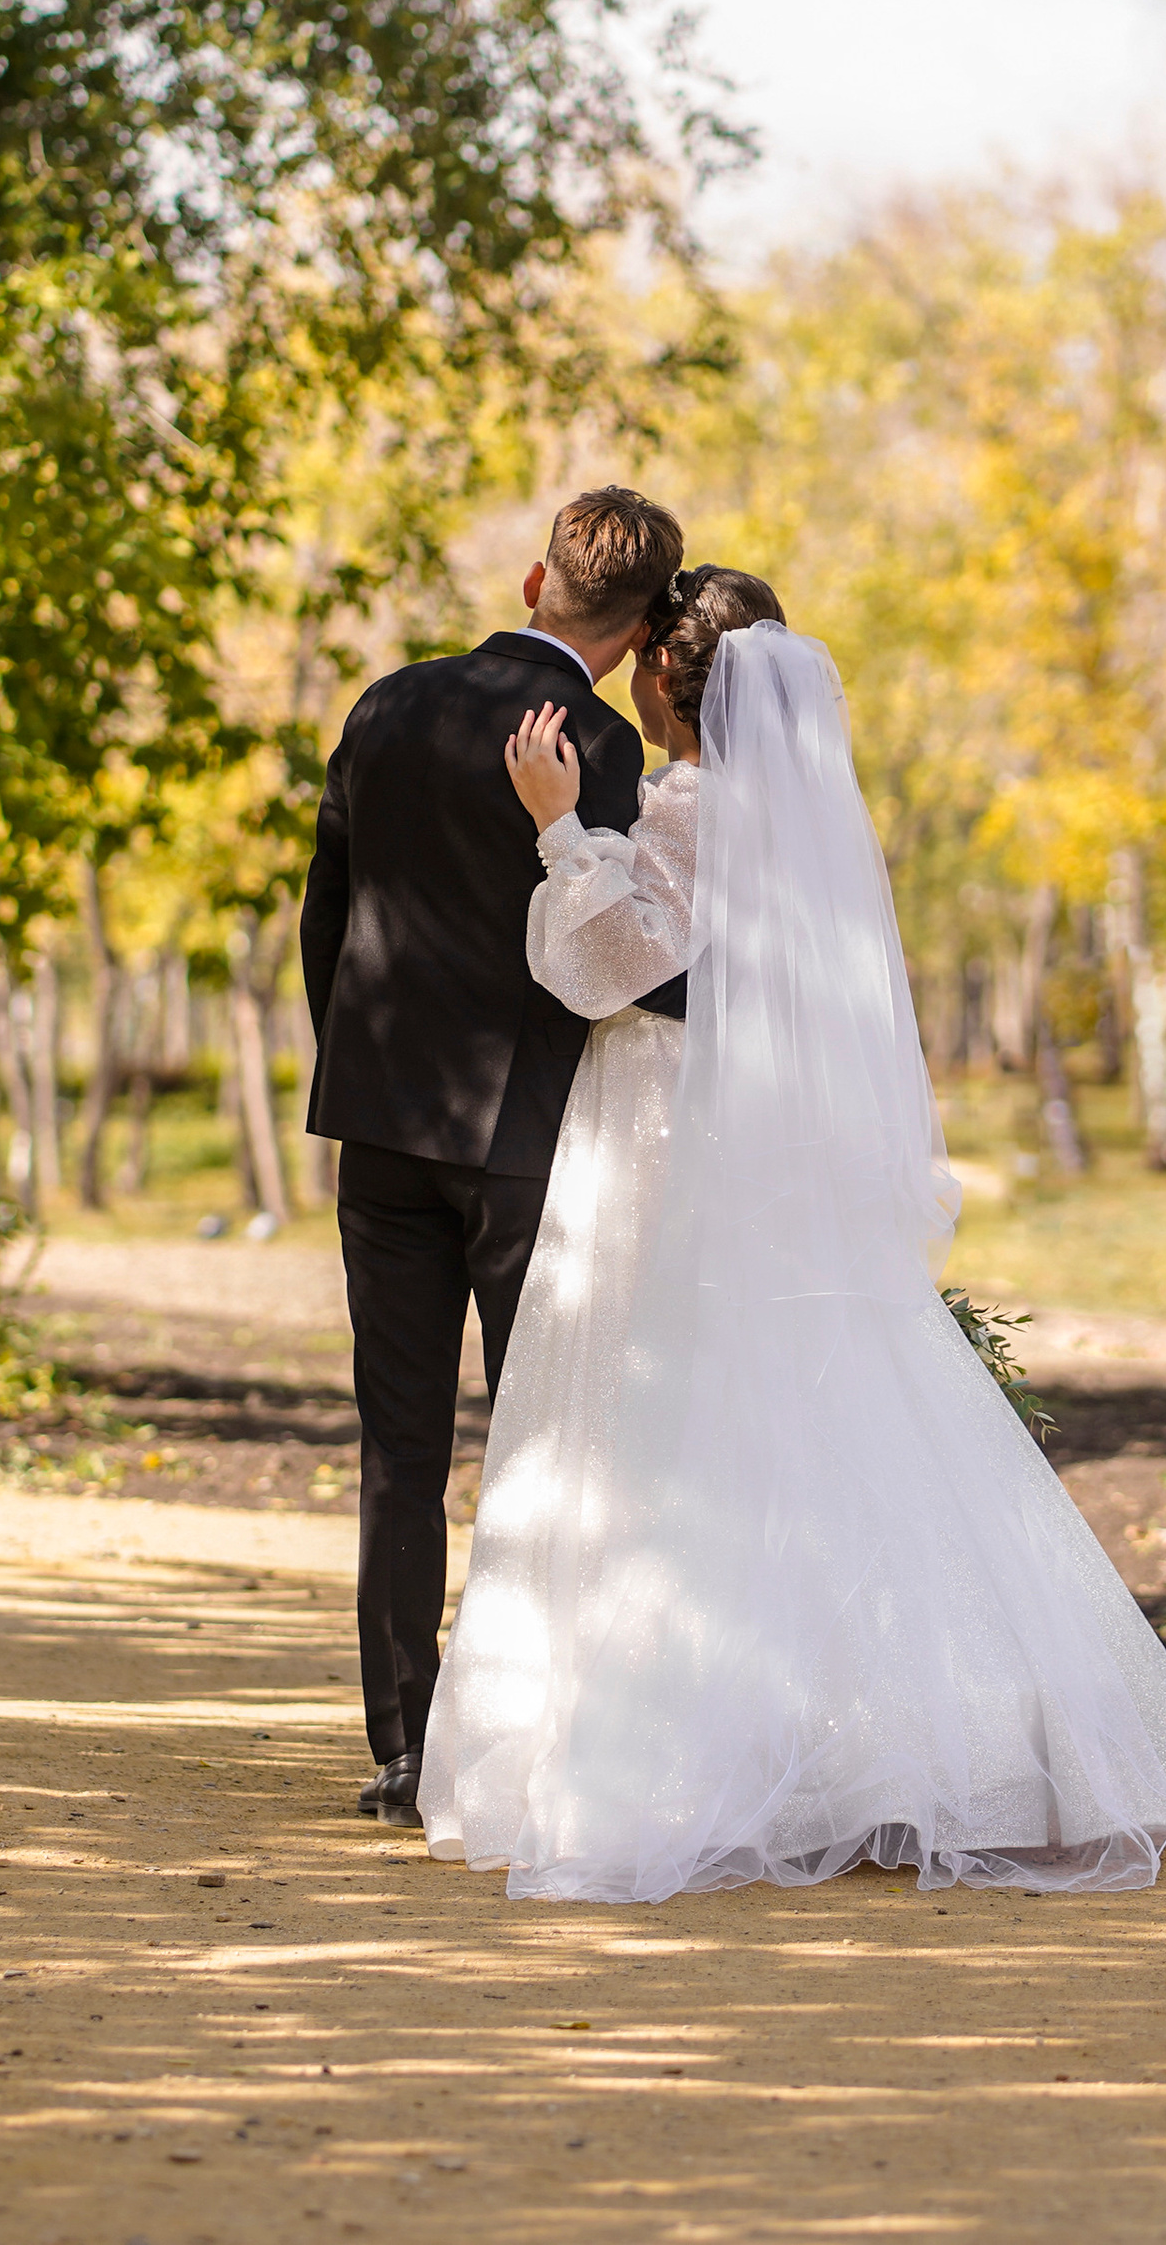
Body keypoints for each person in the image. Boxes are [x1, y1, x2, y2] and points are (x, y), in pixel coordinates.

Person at [418, 585, 1166, 1900]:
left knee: (656, 1420)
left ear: (674, 691)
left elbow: (606, 966)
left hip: (669, 1138)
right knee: (819, 1414)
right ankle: (915, 1739)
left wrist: (564, 832)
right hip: (781, 1148)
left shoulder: (685, 808)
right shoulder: (820, 824)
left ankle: (693, 1742)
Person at [300, 487, 686, 1824]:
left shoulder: (388, 706)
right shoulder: (601, 747)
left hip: (384, 1130)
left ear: (534, 581)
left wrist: (357, 1071)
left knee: (400, 1448)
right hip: (532, 1144)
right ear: (642, 637)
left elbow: (328, 908)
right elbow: (614, 955)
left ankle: (407, 1749)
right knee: (543, 1443)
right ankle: (529, 1740)